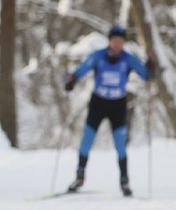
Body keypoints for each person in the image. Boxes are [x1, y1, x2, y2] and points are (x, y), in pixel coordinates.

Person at [64, 26, 157, 196]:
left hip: (117, 105)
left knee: (120, 144)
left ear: (124, 42)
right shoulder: (98, 56)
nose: (117, 44)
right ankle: (79, 177)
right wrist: (72, 79)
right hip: (98, 103)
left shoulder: (128, 59)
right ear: (109, 41)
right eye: (114, 41)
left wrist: (150, 69)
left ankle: (124, 181)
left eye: (120, 41)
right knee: (87, 140)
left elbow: (146, 76)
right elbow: (82, 69)